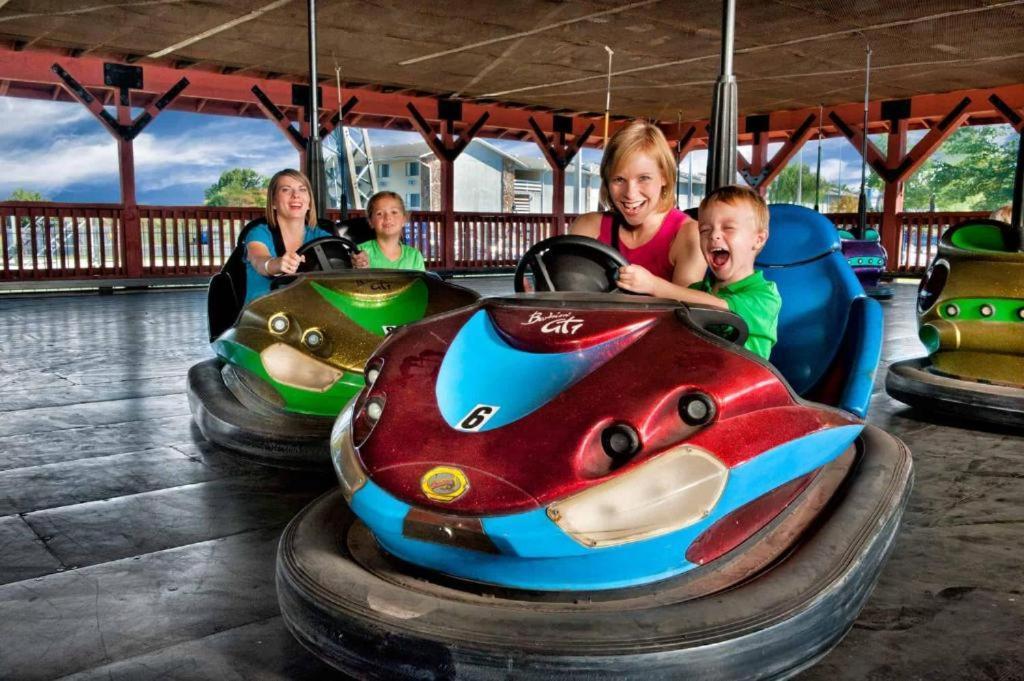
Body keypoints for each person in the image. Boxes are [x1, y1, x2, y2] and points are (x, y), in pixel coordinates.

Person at [627, 185, 781, 360]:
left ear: (758, 240)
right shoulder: (698, 290)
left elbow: (721, 308)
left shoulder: (765, 297)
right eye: (705, 230)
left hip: (743, 382)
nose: (713, 235)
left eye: (728, 228)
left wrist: (654, 285)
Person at [570, 120, 705, 296]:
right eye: (619, 179)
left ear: (664, 176)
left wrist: (653, 286)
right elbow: (564, 291)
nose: (630, 194)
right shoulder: (588, 227)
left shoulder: (688, 235)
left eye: (644, 178)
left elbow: (689, 312)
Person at [243, 169, 332, 304]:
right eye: (286, 190)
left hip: (309, 312)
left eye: (302, 189)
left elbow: (337, 264)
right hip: (264, 314)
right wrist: (276, 264)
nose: (296, 195)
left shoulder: (321, 236)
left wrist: (355, 262)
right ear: (273, 201)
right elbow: (259, 260)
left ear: (309, 202)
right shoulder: (258, 233)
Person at [352, 191, 426, 271]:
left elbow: (420, 283)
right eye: (379, 213)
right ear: (371, 222)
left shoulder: (414, 256)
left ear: (404, 219)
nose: (387, 217)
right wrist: (359, 266)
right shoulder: (359, 251)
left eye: (394, 212)